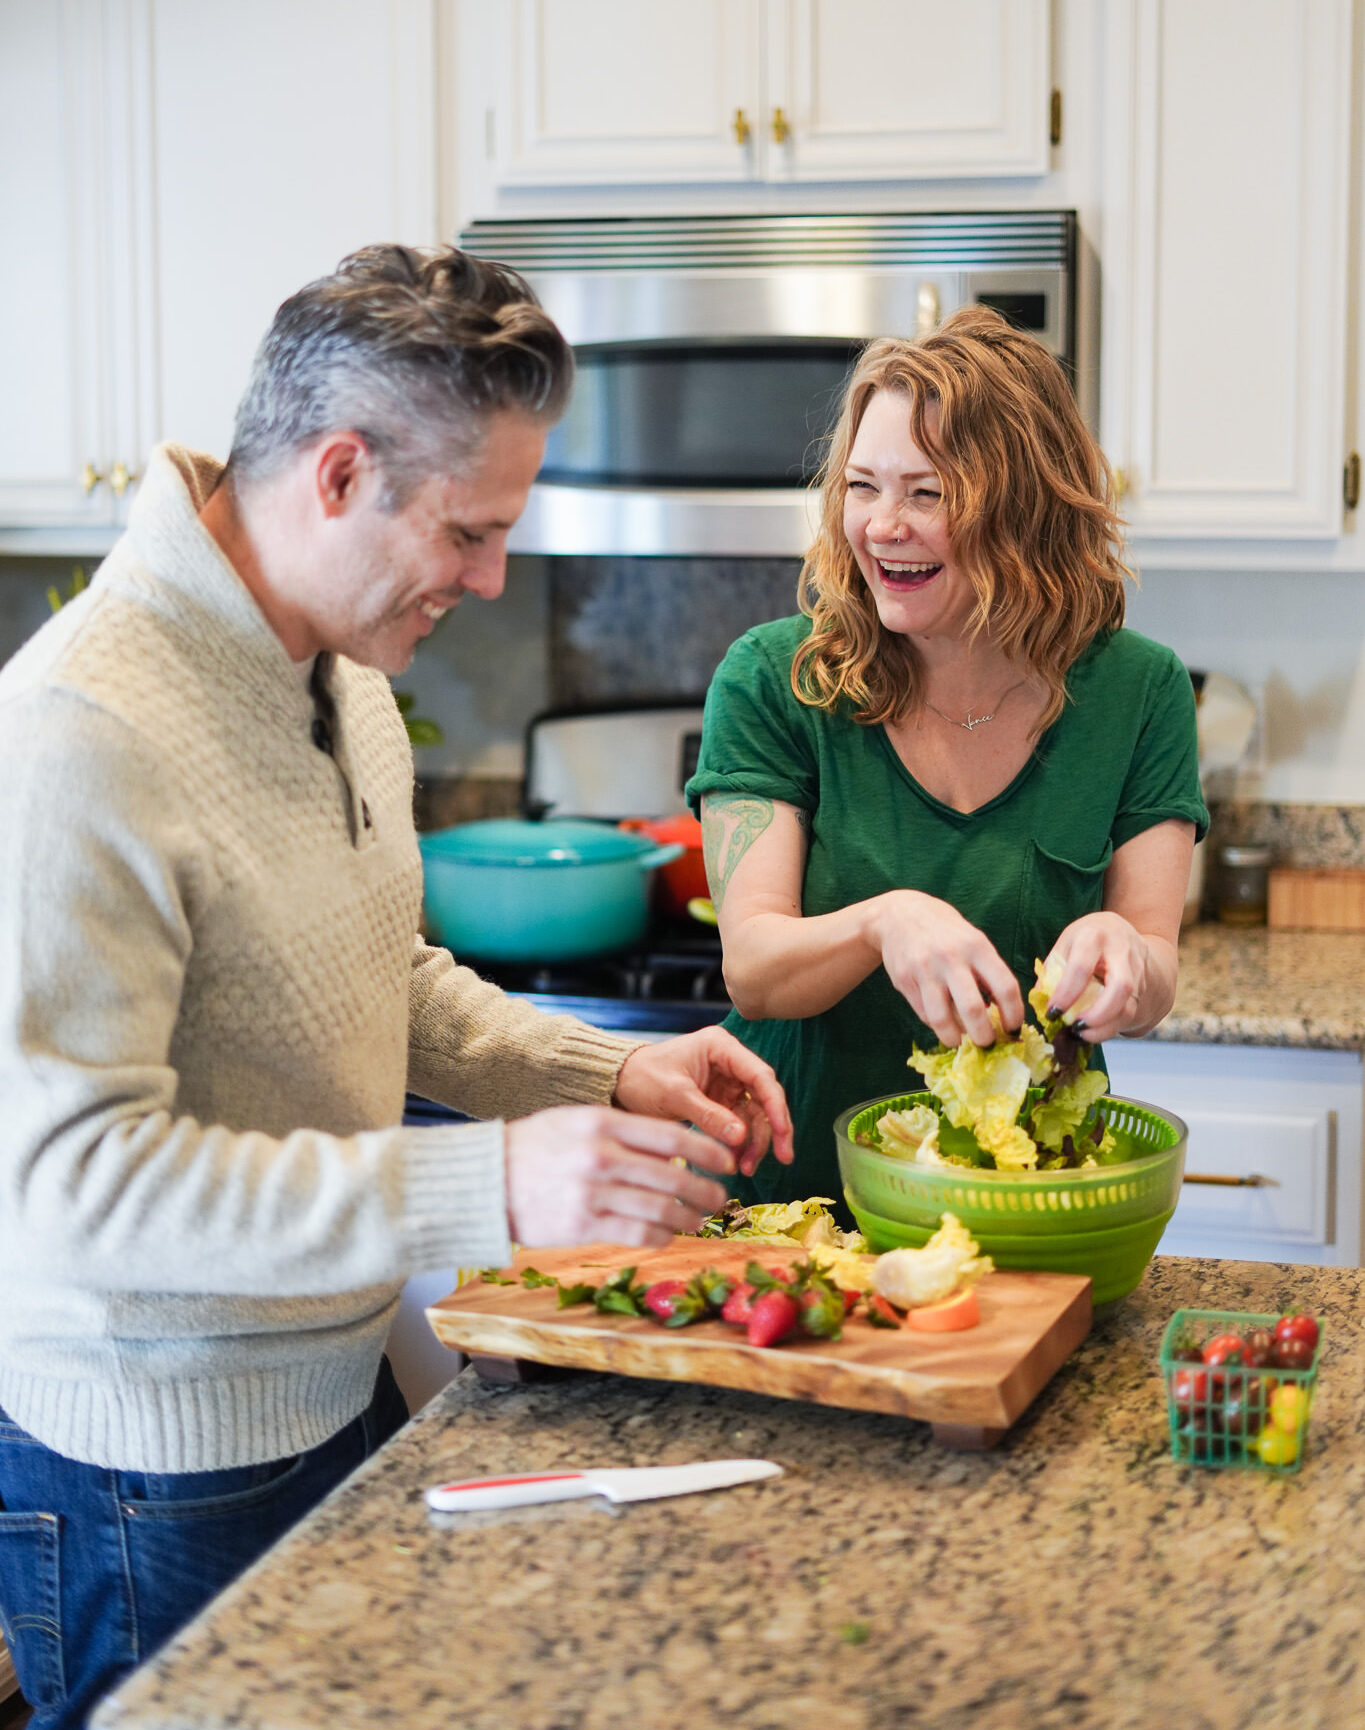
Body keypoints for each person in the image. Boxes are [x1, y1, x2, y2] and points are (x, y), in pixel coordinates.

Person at [0, 244, 793, 1730]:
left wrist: (604, 1074)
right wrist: (488, 1182)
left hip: (337, 1386)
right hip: (151, 1471)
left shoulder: (343, 674)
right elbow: (71, 1185)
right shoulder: (76, 736)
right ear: (343, 473)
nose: (492, 581)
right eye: (471, 531)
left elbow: (387, 974)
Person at [688, 306, 1207, 1207]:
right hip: (803, 1197)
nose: (882, 527)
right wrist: (882, 921)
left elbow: (1153, 967)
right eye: (862, 487)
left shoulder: (1140, 692)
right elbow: (756, 971)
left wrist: (1125, 952)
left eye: (927, 494)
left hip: (1026, 1196)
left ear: (1026, 508)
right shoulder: (776, 679)